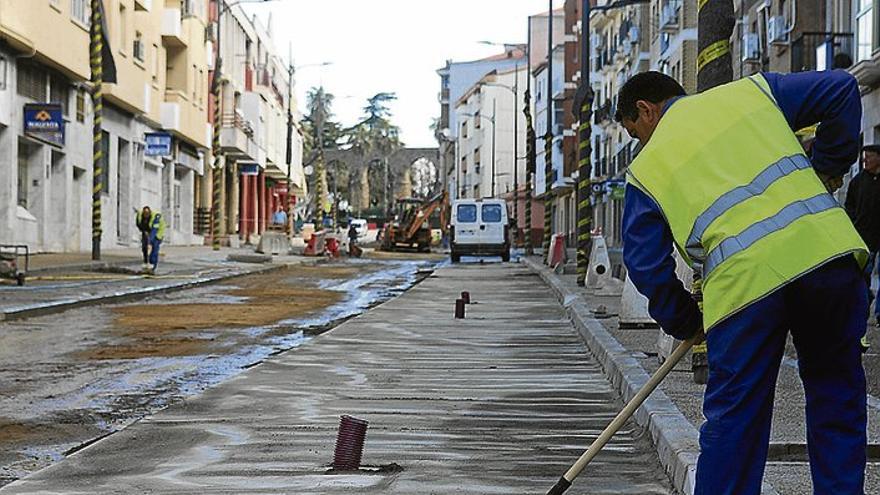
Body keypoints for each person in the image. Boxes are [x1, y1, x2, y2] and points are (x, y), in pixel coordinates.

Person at [618, 70, 868, 494]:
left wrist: (684, 319)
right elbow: (842, 88)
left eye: (635, 132)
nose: (641, 142)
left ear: (646, 109)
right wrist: (826, 170)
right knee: (837, 400)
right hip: (826, 258)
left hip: (745, 290)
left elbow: (645, 264)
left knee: (737, 421)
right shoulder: (751, 93)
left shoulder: (647, 169)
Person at [846, 144, 880, 330]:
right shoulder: (858, 181)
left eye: (870, 156)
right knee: (863, 276)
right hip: (864, 237)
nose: (865, 160)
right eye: (864, 156)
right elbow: (849, 205)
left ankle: (879, 313)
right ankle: (865, 304)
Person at [135, 206, 165, 273]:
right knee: (144, 248)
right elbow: (138, 224)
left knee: (154, 249)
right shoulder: (139, 215)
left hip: (157, 233)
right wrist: (144, 231)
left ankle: (153, 266)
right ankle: (146, 262)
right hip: (146, 232)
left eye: (147, 214)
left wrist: (150, 242)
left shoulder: (156, 217)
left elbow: (154, 230)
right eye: (144, 214)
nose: (146, 216)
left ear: (150, 213)